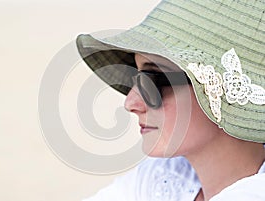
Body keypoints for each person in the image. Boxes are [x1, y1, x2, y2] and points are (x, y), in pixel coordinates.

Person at [75, 0, 265, 200]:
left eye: (154, 80)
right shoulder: (165, 176)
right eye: (135, 79)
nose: (130, 103)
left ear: (219, 90)